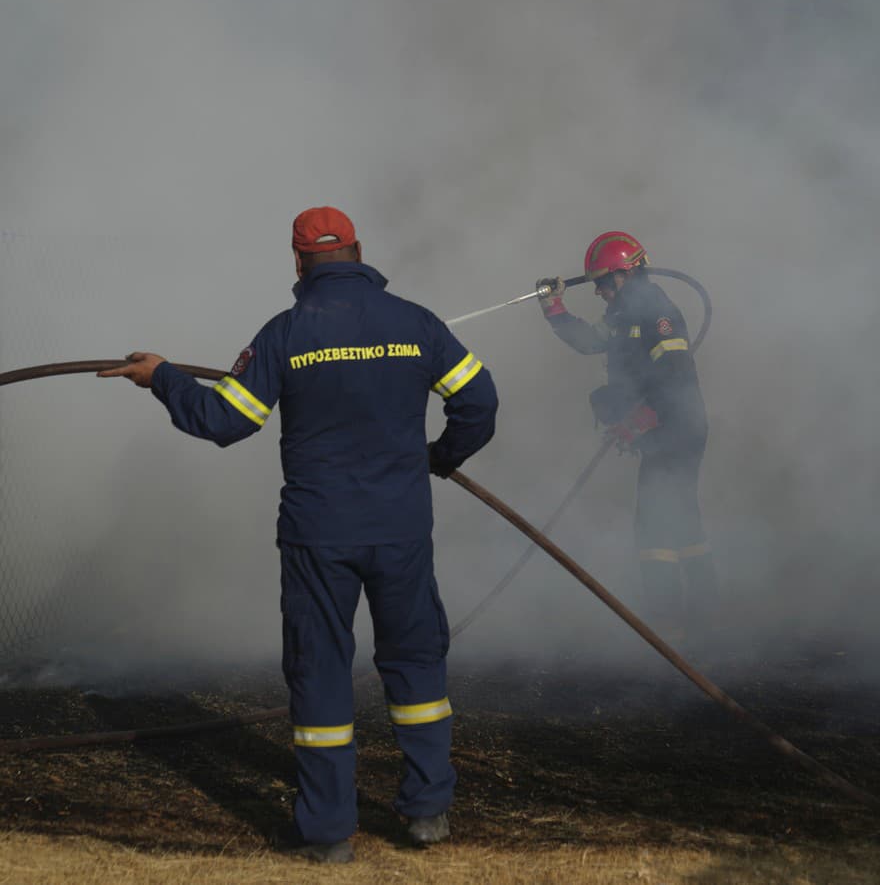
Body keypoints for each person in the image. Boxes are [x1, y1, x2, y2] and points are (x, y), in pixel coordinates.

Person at [98, 206, 498, 863]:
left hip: (319, 536)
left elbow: (224, 420)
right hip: (400, 529)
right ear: (360, 251)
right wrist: (439, 457)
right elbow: (479, 403)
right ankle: (428, 812)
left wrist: (162, 378)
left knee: (320, 672)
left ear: (297, 261)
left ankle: (327, 834)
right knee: (416, 661)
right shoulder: (417, 324)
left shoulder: (286, 333)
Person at [536, 231, 714, 642]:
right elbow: (590, 342)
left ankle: (665, 622)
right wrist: (554, 308)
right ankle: (706, 612)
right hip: (668, 429)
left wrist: (648, 414)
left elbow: (675, 370)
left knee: (654, 522)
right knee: (683, 516)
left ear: (624, 274)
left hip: (677, 428)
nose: (598, 291)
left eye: (602, 281)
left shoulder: (656, 310)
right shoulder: (623, 314)